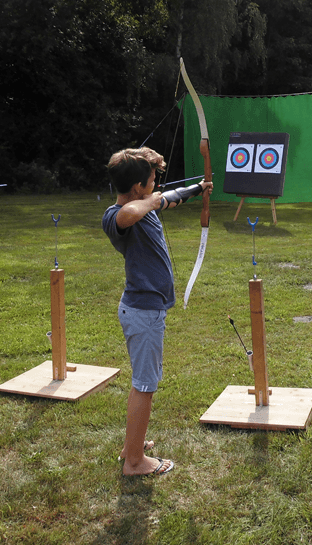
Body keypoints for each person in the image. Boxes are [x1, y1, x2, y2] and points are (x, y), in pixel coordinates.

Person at [102, 146, 212, 476]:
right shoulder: (116, 216)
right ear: (138, 186)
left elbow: (170, 197)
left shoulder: (145, 204)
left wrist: (198, 188)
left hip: (145, 310)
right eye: (151, 180)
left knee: (144, 382)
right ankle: (135, 462)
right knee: (145, 385)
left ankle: (130, 447)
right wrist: (153, 200)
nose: (156, 185)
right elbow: (127, 215)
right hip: (143, 311)